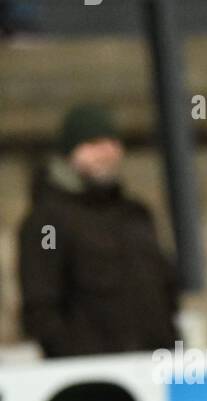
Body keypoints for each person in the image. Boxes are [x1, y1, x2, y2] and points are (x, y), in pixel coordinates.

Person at [18, 104, 179, 359]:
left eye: (112, 141)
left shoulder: (135, 215)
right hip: (94, 380)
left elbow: (166, 290)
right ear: (69, 151)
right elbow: (40, 307)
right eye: (93, 143)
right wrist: (77, 361)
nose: (107, 151)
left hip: (155, 371)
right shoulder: (48, 223)